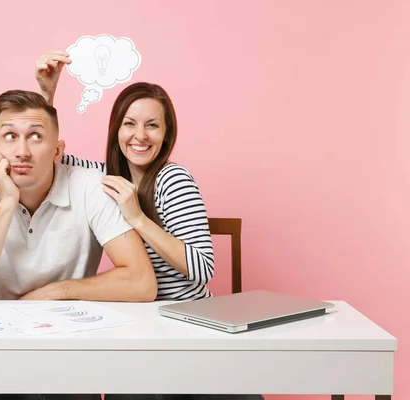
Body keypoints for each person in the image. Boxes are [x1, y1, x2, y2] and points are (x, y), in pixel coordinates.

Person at [34, 51, 264, 400]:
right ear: (116, 129)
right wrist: (47, 95)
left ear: (166, 134)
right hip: (139, 325)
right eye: (130, 123)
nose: (140, 136)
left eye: (152, 125)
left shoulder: (173, 178)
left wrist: (136, 216)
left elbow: (202, 269)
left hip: (191, 324)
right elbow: (49, 158)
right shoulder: (104, 178)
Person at [0, 89, 157, 400]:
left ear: (58, 150)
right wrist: (6, 201)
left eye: (35, 136)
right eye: (9, 136)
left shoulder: (90, 188)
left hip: (67, 345)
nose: (21, 151)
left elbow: (142, 283)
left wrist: (56, 292)